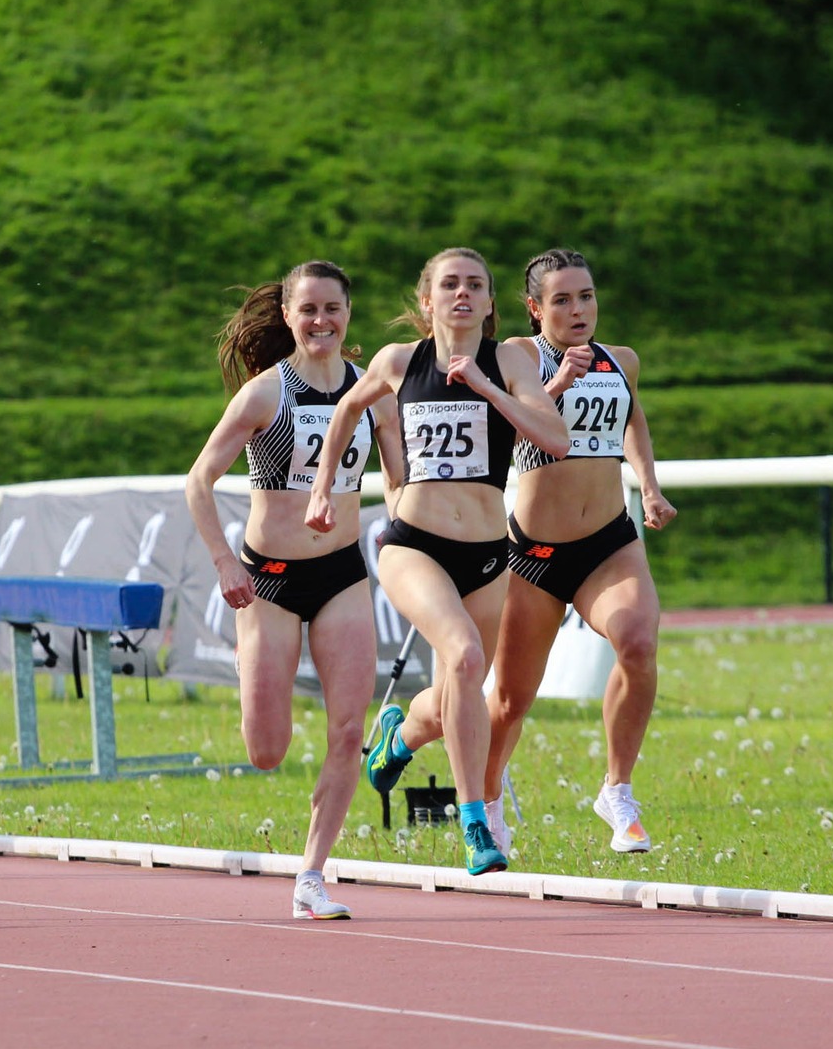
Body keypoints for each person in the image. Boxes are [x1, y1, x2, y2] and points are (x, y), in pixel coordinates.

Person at [305, 248, 567, 875]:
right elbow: (345, 408)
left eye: (475, 285)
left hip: (486, 554)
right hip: (413, 545)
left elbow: (553, 437)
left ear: (490, 302)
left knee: (460, 686)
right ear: (427, 301)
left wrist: (484, 388)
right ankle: (474, 822)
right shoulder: (400, 362)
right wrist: (322, 488)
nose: (462, 294)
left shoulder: (509, 360)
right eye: (449, 284)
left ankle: (399, 737)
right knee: (465, 657)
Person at [185, 261, 406, 920]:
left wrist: (419, 536)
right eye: (307, 309)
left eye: (332, 308)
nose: (321, 321)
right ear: (287, 315)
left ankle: (312, 874)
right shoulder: (263, 394)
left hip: (341, 574)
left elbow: (399, 485)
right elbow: (199, 482)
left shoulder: (374, 395)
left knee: (346, 731)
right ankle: (261, 711)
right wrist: (226, 563)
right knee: (266, 749)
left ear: (348, 313)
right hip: (270, 581)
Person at [482, 249, 676, 857]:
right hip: (534, 554)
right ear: (536, 308)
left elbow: (632, 420)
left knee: (639, 642)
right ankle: (485, 803)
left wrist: (648, 484)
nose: (577, 310)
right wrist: (558, 382)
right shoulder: (519, 357)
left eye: (586, 297)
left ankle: (617, 791)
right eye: (561, 300)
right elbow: (503, 426)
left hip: (608, 543)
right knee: (512, 699)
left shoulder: (622, 361)